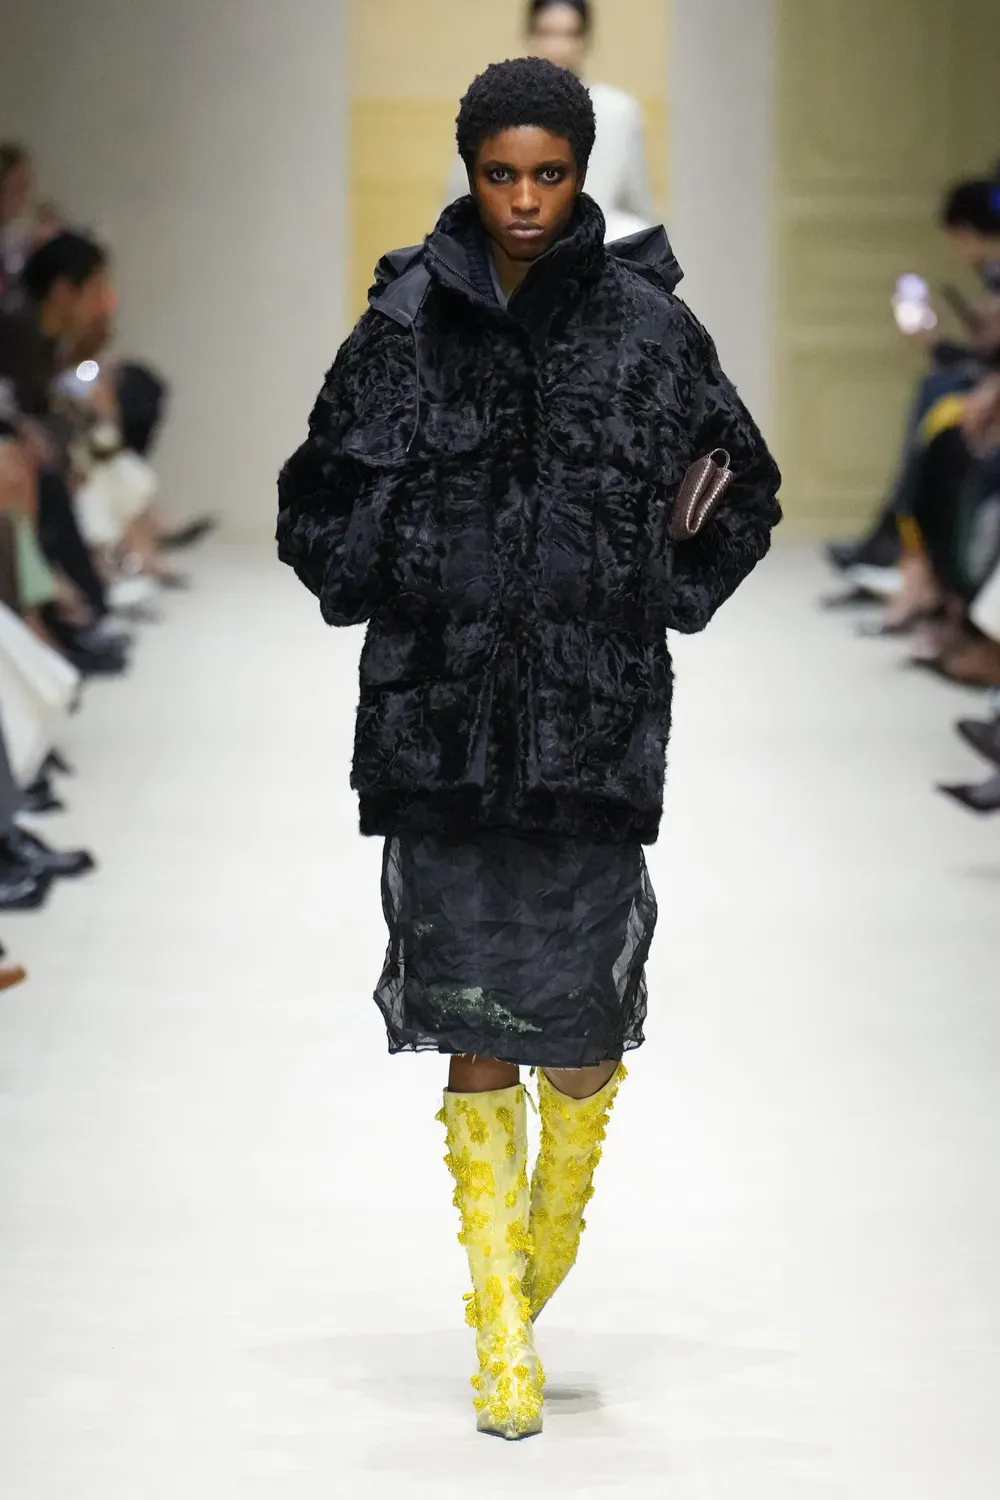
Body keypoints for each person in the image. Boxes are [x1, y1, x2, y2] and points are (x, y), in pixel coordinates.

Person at [278, 57, 780, 1440]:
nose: (521, 200)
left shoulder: (647, 328)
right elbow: (313, 500)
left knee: (579, 1037)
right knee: (469, 1025)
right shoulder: (403, 323)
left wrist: (655, 585)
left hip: (589, 721)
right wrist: (398, 560)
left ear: (578, 173)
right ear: (469, 171)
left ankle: (545, 1240)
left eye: (547, 174)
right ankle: (501, 1326)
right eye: (499, 174)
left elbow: (743, 486)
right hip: (437, 722)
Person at [443, 0, 655, 241]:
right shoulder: (490, 107)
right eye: (547, 33)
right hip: (507, 243)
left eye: (569, 34)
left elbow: (638, 205)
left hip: (595, 245)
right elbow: (457, 202)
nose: (557, 47)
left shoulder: (618, 112)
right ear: (530, 35)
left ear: (585, 40)